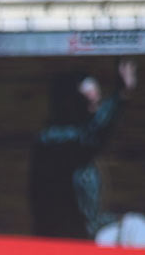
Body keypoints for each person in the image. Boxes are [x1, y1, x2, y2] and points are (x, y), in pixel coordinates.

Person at [29, 60, 134, 240]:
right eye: (88, 100)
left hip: (82, 236)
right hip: (62, 241)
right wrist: (119, 95)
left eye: (97, 100)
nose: (95, 105)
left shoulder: (76, 141)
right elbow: (90, 138)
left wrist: (117, 221)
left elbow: (90, 216)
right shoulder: (53, 140)